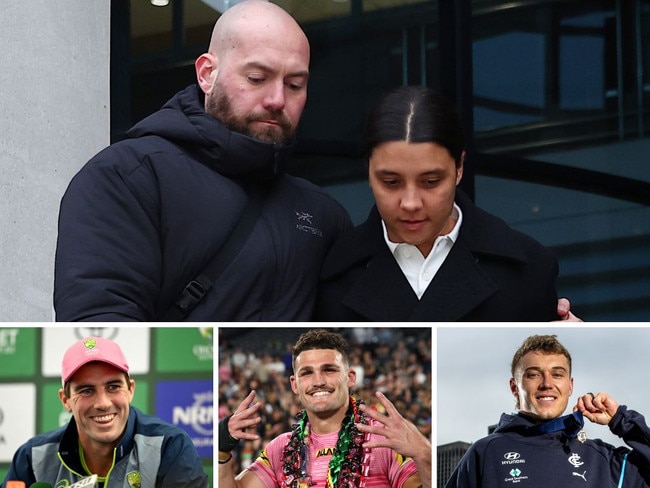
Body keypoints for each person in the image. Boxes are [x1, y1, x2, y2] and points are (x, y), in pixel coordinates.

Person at [53, 0, 352, 321]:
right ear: (207, 74)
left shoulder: (323, 215)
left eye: (295, 84)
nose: (277, 99)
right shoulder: (127, 177)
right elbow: (100, 332)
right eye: (256, 77)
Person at [314, 85, 567, 321]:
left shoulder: (529, 269)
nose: (411, 203)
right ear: (368, 171)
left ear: (459, 168)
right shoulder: (327, 275)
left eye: (431, 181)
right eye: (391, 182)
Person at [218, 329, 432, 488]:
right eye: (307, 373)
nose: (318, 381)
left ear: (350, 377)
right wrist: (222, 447)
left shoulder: (383, 439)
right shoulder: (280, 448)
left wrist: (424, 454)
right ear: (295, 384)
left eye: (329, 370)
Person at [445, 334, 650, 487]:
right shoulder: (485, 452)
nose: (547, 384)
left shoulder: (602, 459)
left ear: (570, 386)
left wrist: (622, 421)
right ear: (514, 387)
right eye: (533, 375)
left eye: (557, 374)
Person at [2, 336, 208, 487]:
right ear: (65, 400)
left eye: (113, 387)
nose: (102, 403)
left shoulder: (170, 447)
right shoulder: (32, 457)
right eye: (86, 390)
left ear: (130, 390)